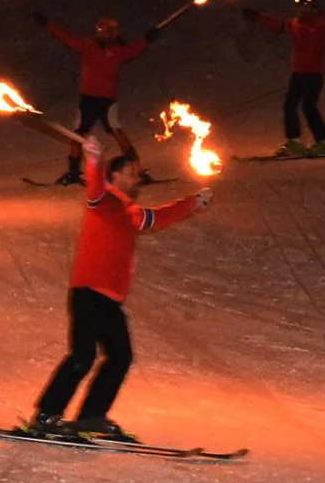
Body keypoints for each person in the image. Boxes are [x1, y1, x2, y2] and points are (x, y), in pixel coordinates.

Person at [25, 135, 212, 441]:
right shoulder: (103, 200)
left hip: (110, 298)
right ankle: (46, 416)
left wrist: (193, 203)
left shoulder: (130, 211)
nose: (138, 178)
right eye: (132, 172)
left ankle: (91, 417)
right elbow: (94, 187)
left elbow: (157, 218)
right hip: (89, 291)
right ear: (115, 176)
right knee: (82, 356)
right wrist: (95, 158)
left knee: (120, 356)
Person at [32, 10, 161, 185]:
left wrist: (148, 38)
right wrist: (47, 23)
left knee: (116, 131)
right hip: (87, 98)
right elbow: (66, 38)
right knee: (78, 133)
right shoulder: (88, 45)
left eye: (106, 31)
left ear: (112, 34)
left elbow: (134, 50)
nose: (102, 33)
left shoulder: (118, 51)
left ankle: (137, 170)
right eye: (100, 30)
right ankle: (73, 172)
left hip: (107, 100)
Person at [243, 0, 325, 157]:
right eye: (300, 7)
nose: (301, 10)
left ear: (314, 9)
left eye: (306, 7)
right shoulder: (295, 24)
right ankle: (294, 143)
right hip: (298, 72)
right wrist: (257, 17)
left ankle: (324, 143)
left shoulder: (320, 26)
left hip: (313, 73)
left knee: (309, 107)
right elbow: (276, 24)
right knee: (289, 106)